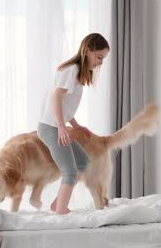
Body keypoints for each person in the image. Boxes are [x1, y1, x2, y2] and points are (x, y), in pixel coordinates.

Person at [37, 33, 110, 214]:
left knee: (83, 163)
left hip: (55, 126)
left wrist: (76, 126)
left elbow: (64, 105)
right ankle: (61, 212)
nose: (100, 62)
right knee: (69, 172)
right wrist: (62, 127)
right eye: (99, 57)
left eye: (103, 59)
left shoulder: (77, 73)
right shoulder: (71, 70)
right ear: (87, 51)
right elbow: (55, 97)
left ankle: (57, 204)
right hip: (50, 127)